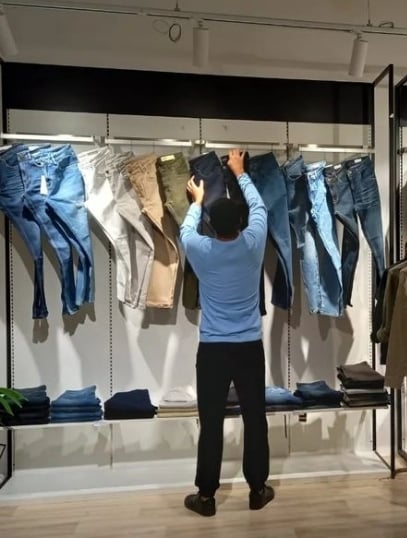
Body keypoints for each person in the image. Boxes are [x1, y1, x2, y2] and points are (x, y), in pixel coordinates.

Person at [180, 148, 274, 517]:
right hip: (249, 347)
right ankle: (258, 490)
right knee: (255, 418)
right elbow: (260, 207)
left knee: (211, 422)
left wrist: (196, 202)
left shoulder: (200, 249)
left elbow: (186, 230)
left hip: (213, 350)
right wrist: (239, 171)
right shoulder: (253, 244)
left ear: (212, 225)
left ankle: (206, 497)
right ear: (240, 223)